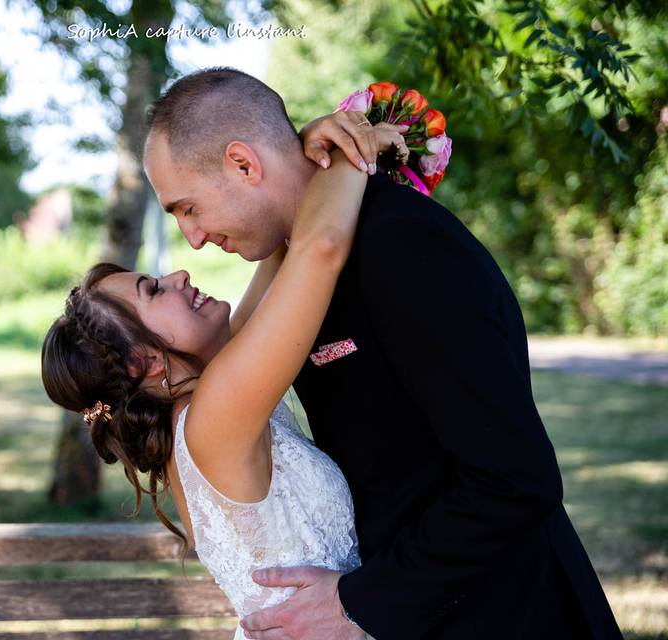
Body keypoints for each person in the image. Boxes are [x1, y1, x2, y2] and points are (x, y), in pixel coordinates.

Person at [141, 68, 622, 640]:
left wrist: (359, 602)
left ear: (245, 164)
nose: (191, 239)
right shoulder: (300, 283)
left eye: (188, 208)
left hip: (510, 614)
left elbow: (515, 479)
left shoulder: (399, 242)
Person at [42, 129, 407, 637]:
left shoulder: (209, 397)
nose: (181, 276)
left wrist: (298, 148)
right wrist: (357, 142)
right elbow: (319, 249)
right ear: (141, 363)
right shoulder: (214, 418)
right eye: (154, 289)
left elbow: (284, 247)